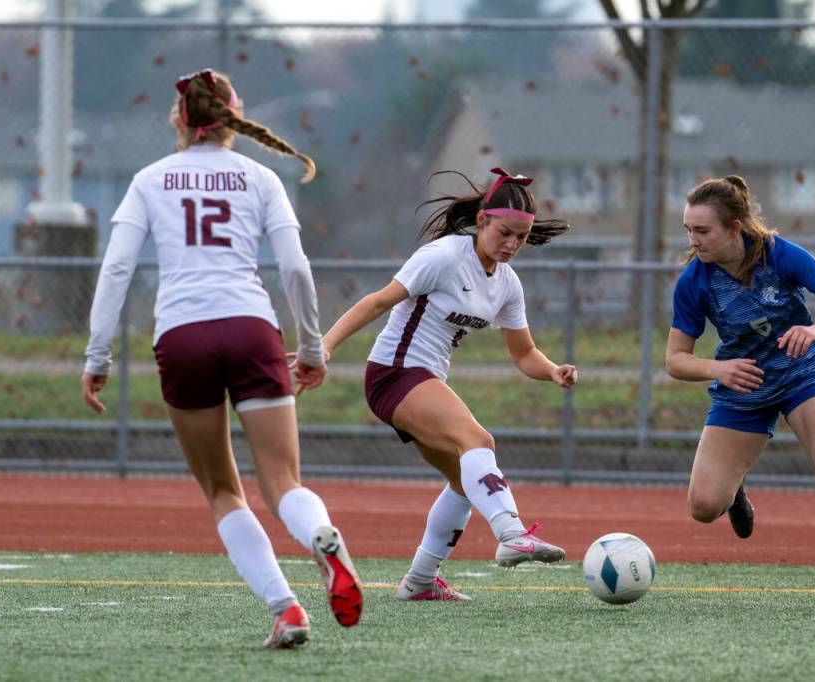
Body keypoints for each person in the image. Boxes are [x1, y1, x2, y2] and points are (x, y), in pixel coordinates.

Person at [80, 68, 363, 647]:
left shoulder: (150, 179)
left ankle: (286, 609)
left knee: (223, 491)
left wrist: (97, 354)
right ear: (234, 119)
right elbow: (294, 269)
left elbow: (116, 269)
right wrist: (311, 346)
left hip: (182, 337)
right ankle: (321, 536)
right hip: (252, 329)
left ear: (180, 120)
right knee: (282, 481)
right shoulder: (260, 177)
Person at [319, 167, 577, 602]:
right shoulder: (443, 256)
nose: (512, 244)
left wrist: (551, 369)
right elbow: (378, 301)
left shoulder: (507, 284)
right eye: (505, 233)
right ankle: (512, 532)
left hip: (423, 380)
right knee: (477, 439)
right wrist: (323, 347)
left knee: (463, 480)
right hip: (393, 373)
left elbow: (524, 354)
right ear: (481, 221)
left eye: (521, 237)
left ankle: (419, 581)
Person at [665, 175, 815, 609]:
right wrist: (719, 368)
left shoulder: (779, 255)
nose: (693, 241)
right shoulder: (694, 282)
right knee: (702, 506)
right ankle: (734, 490)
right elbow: (676, 359)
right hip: (744, 386)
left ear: (735, 228)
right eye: (688, 230)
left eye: (703, 231)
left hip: (801, 376)